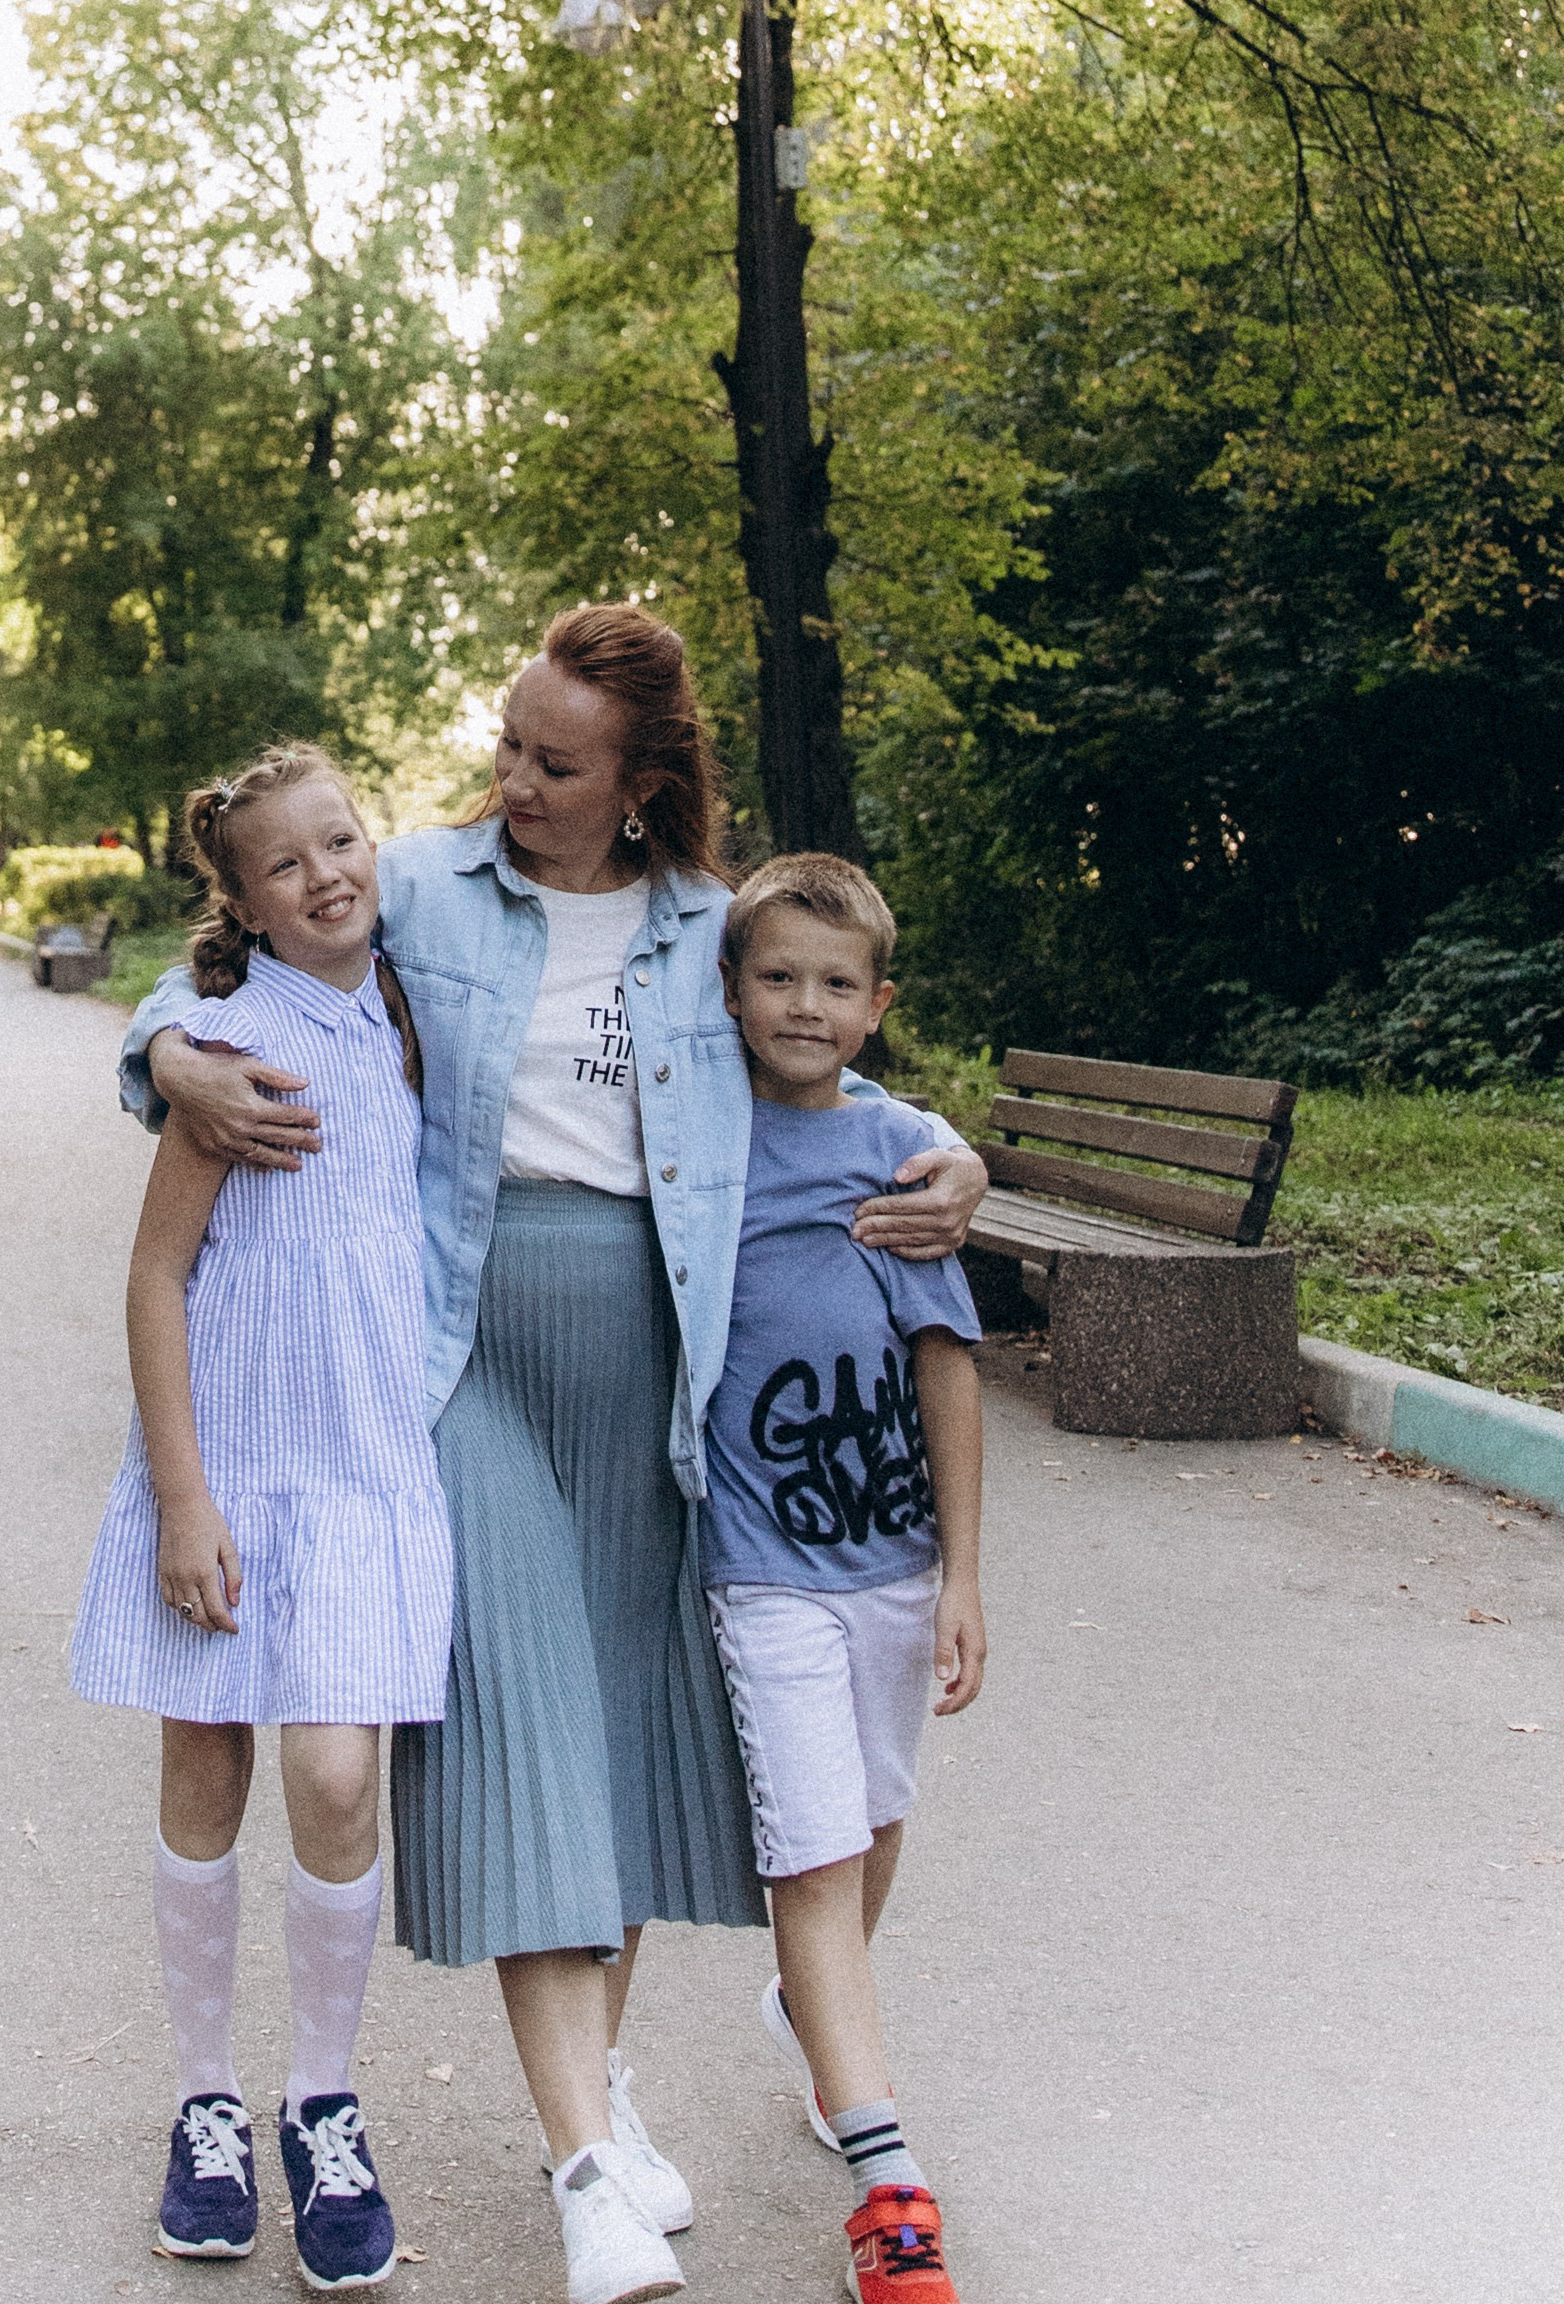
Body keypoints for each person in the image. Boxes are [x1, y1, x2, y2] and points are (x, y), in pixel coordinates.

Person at [120, 608, 989, 2304]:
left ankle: (608, 2083)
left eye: (557, 758)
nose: (515, 777)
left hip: (665, 1372)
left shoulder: (707, 929)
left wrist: (951, 1153)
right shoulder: (432, 886)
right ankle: (585, 2164)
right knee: (526, 1731)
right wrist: (162, 1049)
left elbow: (829, 1052)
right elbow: (237, 953)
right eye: (510, 741)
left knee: (624, 1752)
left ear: (644, 780)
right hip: (463, 1365)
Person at [72, 746, 451, 2292]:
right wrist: (181, 1497)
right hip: (230, 1469)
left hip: (369, 1473)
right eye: (283, 865)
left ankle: (325, 2098)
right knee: (207, 1758)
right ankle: (205, 2101)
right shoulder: (227, 1047)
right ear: (236, 899)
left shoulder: (419, 1013)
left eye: (343, 841)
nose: (326, 876)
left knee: (339, 1774)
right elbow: (156, 1275)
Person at [700, 854, 984, 2304]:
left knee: (873, 1826)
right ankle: (889, 2184)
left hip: (893, 1559)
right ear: (734, 988)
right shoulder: (701, 1149)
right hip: (764, 1569)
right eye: (776, 977)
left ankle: (813, 2015)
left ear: (877, 1006)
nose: (803, 1007)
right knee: (810, 1851)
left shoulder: (902, 1159)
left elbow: (947, 1363)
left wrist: (965, 1577)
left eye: (834, 984)